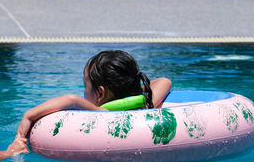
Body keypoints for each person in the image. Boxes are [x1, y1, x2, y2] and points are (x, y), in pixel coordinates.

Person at [14, 50, 172, 140]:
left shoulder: (104, 114)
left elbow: (71, 100)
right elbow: (164, 81)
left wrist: (28, 116)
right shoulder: (145, 103)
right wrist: (137, 90)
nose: (83, 92)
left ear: (101, 93)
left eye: (85, 86)